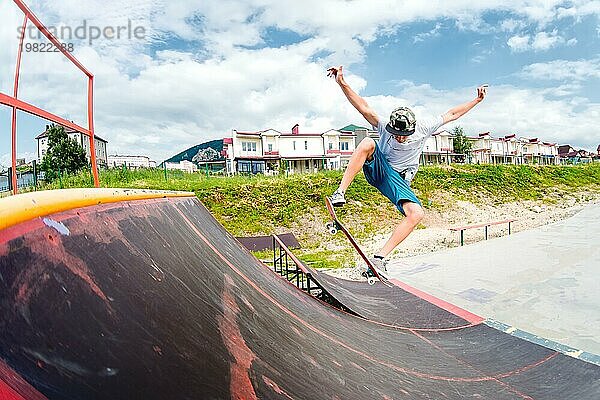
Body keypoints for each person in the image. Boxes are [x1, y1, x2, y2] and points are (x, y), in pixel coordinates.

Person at [327, 65, 487, 275]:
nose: (400, 138)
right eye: (396, 134)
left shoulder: (424, 127)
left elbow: (452, 114)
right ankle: (340, 192)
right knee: (367, 142)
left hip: (400, 181)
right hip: (380, 170)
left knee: (417, 214)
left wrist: (476, 100)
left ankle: (379, 259)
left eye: (404, 135)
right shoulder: (384, 125)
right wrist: (342, 82)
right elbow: (363, 107)